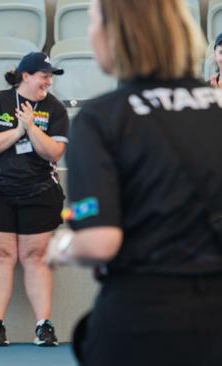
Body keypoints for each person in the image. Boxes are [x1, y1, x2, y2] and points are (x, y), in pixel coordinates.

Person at [46, 1, 222, 365]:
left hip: (143, 319)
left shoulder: (103, 117)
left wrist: (61, 246)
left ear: (117, 34)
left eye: (94, 23)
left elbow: (99, 242)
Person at [0, 52, 68, 346]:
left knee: (35, 257)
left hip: (39, 193)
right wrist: (18, 130)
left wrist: (33, 127)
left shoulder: (54, 108)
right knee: (1, 257)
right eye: (44, 75)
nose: (48, 81)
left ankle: (43, 326)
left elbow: (54, 152)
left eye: (51, 76)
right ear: (26, 76)